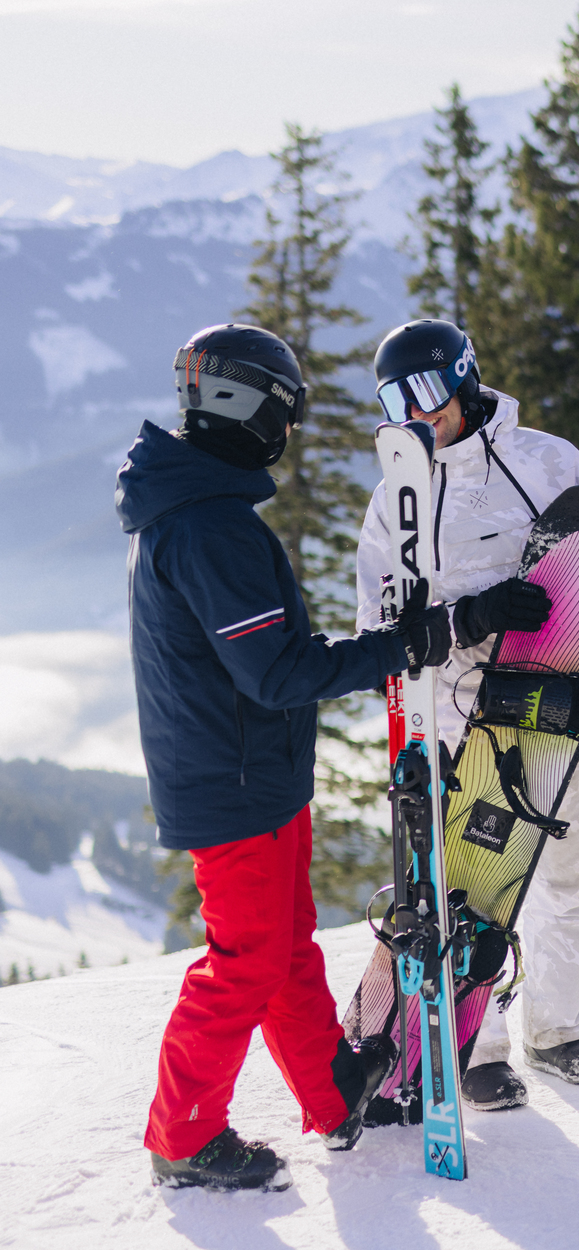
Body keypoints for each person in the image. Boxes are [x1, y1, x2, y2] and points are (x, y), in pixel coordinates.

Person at [119, 323, 441, 1192]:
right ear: (253, 408)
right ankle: (183, 1134)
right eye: (287, 412)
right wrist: (396, 649)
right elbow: (277, 672)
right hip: (233, 785)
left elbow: (262, 665)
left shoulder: (193, 507)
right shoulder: (209, 527)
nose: (290, 430)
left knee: (285, 944)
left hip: (250, 774)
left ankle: (333, 1094)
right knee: (246, 961)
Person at [354, 318, 579, 1112]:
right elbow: (378, 627)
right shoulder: (398, 498)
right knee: (473, 886)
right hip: (459, 715)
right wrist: (470, 616)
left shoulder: (549, 459)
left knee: (564, 871)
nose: (414, 413)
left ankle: (559, 1030)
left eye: (424, 392)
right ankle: (481, 1045)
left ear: (464, 378)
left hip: (557, 699)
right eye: (394, 402)